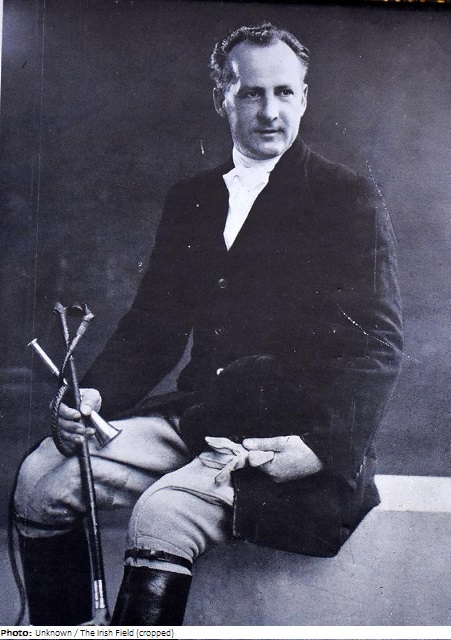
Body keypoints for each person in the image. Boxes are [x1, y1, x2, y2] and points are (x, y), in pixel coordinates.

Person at [14, 23, 403, 626]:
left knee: (160, 515)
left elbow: (378, 345)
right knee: (41, 478)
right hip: (201, 420)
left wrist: (319, 449)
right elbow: (154, 325)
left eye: (284, 92)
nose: (269, 112)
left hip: (289, 446)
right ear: (222, 97)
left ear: (304, 97)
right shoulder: (192, 198)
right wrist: (94, 394)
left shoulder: (346, 199)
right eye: (251, 93)